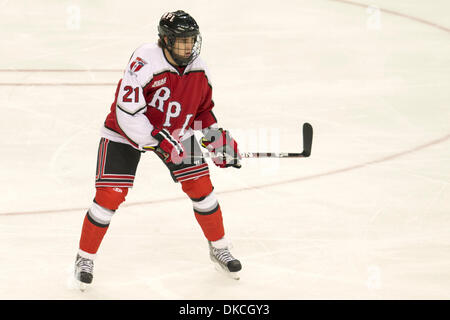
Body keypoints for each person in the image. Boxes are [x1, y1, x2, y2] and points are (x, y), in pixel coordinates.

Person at [74, 10, 242, 288]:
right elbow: (126, 112)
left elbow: (202, 111)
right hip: (125, 133)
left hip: (175, 133)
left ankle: (220, 247)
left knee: (203, 191)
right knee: (108, 197)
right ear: (165, 40)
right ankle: (84, 257)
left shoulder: (200, 68)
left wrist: (216, 139)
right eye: (182, 41)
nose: (189, 47)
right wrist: (156, 139)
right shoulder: (145, 60)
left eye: (192, 40)